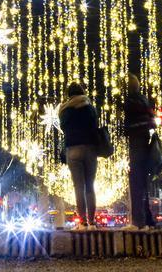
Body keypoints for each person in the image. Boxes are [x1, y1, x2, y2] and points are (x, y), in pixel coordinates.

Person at [59, 82, 100, 229]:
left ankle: (82, 222)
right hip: (90, 148)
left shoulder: (64, 110)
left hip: (73, 148)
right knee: (90, 186)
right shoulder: (89, 107)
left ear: (68, 94)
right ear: (82, 92)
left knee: (78, 187)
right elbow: (95, 126)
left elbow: (63, 128)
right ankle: (92, 222)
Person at [123, 75, 157, 230]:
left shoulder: (130, 102)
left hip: (137, 142)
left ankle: (138, 222)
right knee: (142, 183)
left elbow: (129, 123)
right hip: (144, 141)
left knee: (136, 182)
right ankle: (146, 220)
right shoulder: (144, 101)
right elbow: (152, 120)